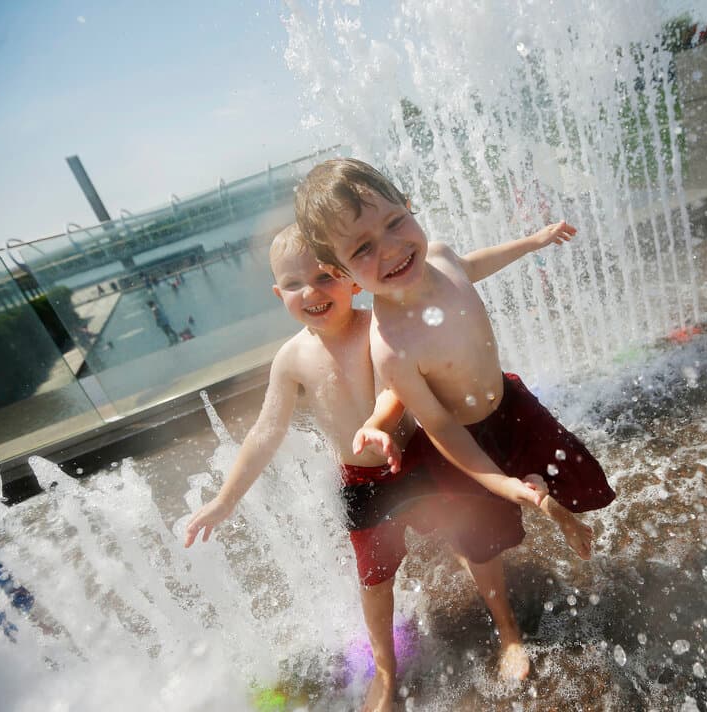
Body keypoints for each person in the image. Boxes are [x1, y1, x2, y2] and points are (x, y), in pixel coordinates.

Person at [183, 225, 542, 711]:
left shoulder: (378, 324)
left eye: (325, 276)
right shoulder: (291, 360)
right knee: (374, 582)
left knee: (473, 541)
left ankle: (508, 631)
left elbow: (394, 385)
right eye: (294, 284)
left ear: (353, 280)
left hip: (418, 456)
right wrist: (225, 500)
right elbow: (266, 433)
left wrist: (379, 418)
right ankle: (385, 672)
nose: (311, 292)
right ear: (278, 294)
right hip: (363, 482)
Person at [295, 157, 617, 673]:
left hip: (510, 407)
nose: (392, 249)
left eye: (395, 223)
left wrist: (533, 242)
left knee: (569, 469)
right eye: (363, 249)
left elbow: (475, 264)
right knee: (483, 547)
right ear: (343, 275)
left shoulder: (440, 258)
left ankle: (531, 480)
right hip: (462, 447)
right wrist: (498, 483)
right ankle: (509, 632)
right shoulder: (392, 345)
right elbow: (440, 427)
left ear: (409, 206)